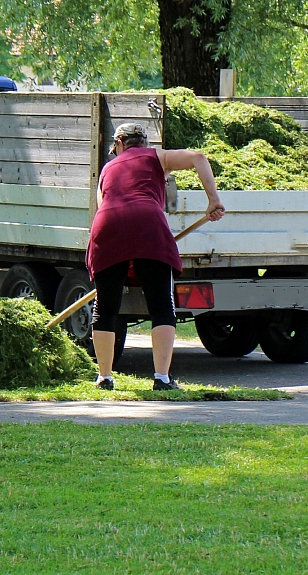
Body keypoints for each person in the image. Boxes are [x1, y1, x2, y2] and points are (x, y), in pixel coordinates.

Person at [86, 122, 225, 391]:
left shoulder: (106, 169)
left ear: (120, 144)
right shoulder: (157, 156)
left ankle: (105, 378)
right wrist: (213, 200)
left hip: (107, 225)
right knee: (161, 305)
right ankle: (161, 378)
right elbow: (198, 157)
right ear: (144, 142)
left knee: (105, 307)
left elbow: (104, 205)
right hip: (148, 222)